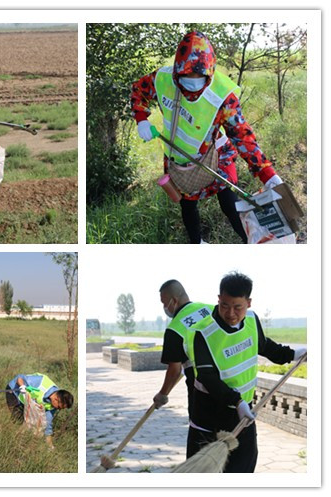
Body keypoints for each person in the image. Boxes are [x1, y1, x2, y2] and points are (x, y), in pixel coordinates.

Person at [131, 31, 283, 244]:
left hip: (216, 154)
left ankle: (251, 242)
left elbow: (241, 134)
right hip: (180, 157)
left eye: (199, 78)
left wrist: (268, 174)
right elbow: (139, 90)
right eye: (186, 78)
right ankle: (197, 243)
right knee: (187, 203)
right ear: (177, 73)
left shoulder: (222, 96)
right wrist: (141, 118)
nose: (192, 84)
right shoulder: (163, 79)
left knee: (230, 202)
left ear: (209, 74)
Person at [184, 271, 306, 472]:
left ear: (248, 303)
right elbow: (207, 377)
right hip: (209, 417)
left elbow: (264, 346)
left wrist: (292, 354)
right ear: (218, 299)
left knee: (243, 469)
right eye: (225, 305)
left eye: (237, 307)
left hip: (243, 415)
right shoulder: (202, 332)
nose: (230, 313)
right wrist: (237, 401)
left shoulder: (251, 320)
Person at [153, 280, 213, 417]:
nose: (164, 307)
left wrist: (163, 394)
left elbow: (175, 370)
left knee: (201, 434)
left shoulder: (175, 329)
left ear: (174, 301)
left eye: (164, 303)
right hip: (229, 380)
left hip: (200, 386)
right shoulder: (211, 309)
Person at [5, 373, 74, 449]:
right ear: (56, 399)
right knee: (18, 418)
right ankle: (10, 442)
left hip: (26, 402)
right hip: (14, 391)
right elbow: (19, 378)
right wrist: (22, 387)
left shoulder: (52, 406)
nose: (58, 409)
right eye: (59, 407)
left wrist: (50, 445)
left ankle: (18, 443)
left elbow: (48, 424)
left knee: (27, 423)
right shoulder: (42, 382)